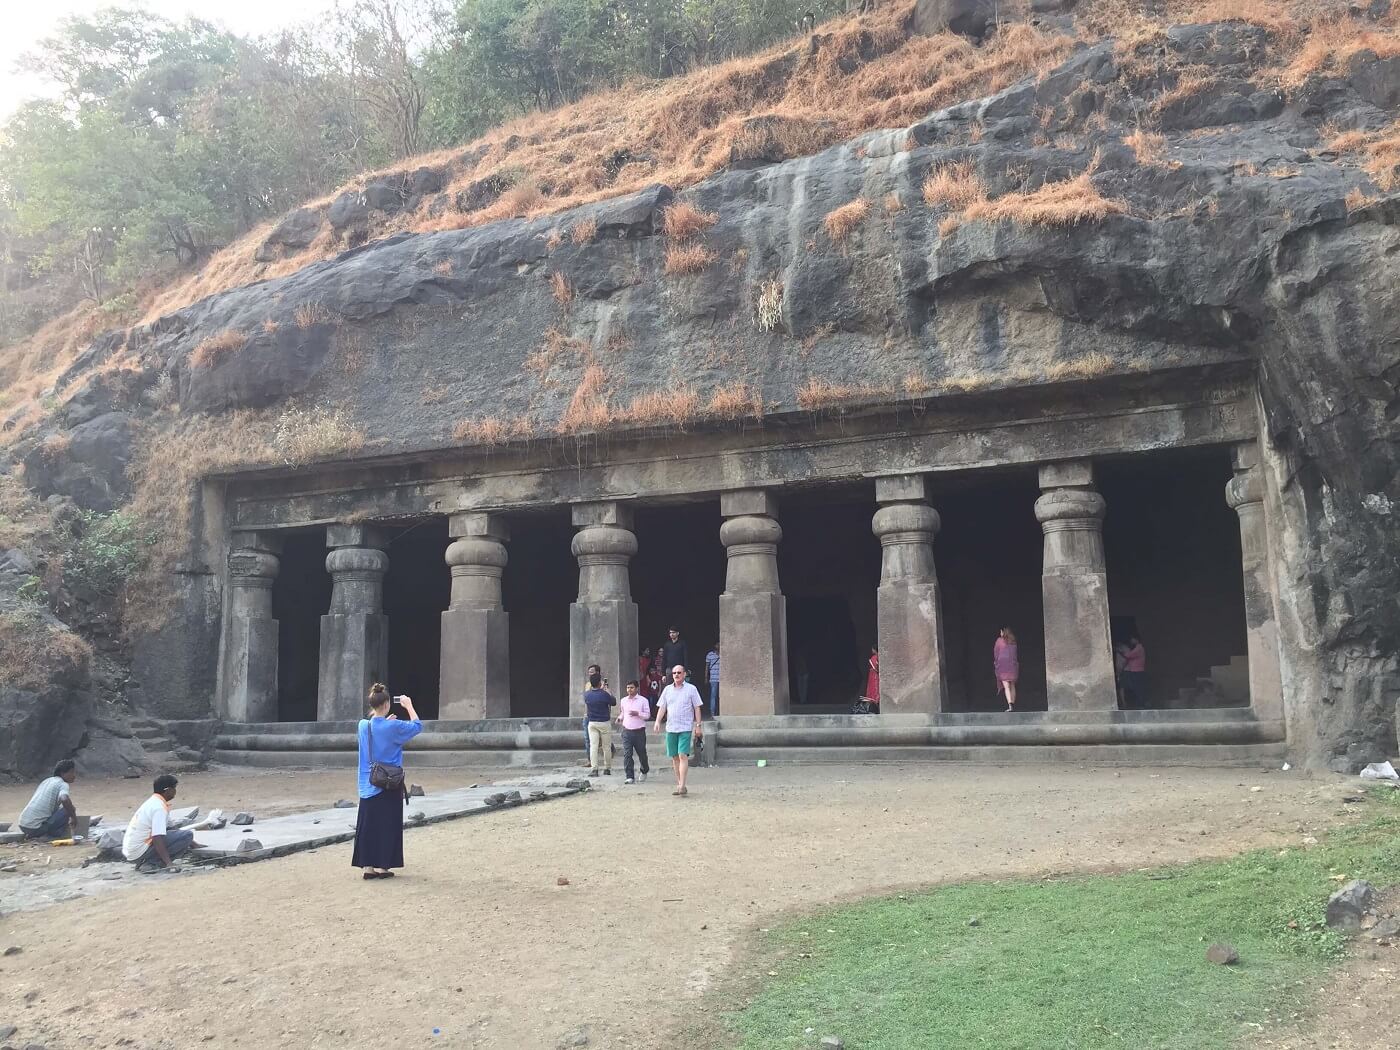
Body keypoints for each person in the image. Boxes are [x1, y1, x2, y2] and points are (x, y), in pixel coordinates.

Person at [352, 683, 422, 880]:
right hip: (389, 781)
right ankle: (383, 866)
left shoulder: (363, 725)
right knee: (387, 824)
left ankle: (367, 866)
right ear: (387, 704)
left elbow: (376, 728)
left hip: (368, 781)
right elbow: (417, 726)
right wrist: (408, 706)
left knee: (368, 825)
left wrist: (384, 720)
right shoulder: (394, 726)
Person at [123, 773, 204, 871]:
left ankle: (147, 860)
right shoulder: (159, 808)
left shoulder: (154, 802)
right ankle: (152, 863)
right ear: (168, 790)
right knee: (187, 835)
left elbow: (172, 828)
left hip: (133, 851)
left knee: (185, 836)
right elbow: (157, 837)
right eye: (174, 788)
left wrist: (194, 844)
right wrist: (169, 863)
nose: (175, 791)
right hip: (139, 850)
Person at [654, 664, 704, 796]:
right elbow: (662, 707)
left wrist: (698, 725)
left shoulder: (691, 689)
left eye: (679, 672)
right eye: (674, 673)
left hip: (685, 727)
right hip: (671, 727)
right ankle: (679, 783)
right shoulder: (667, 690)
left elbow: (697, 707)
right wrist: (658, 721)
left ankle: (682, 785)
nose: (676, 675)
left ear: (684, 674)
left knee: (682, 755)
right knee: (675, 757)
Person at [17, 759, 79, 839]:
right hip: (35, 828)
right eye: (72, 772)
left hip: (23, 826)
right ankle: (52, 835)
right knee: (68, 809)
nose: (74, 775)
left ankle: (36, 834)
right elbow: (64, 799)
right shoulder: (63, 784)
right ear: (62, 773)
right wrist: (73, 817)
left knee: (61, 809)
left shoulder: (47, 781)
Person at [616, 680, 651, 784]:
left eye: (631, 688)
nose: (629, 690)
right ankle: (629, 776)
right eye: (627, 688)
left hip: (639, 731)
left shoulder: (643, 700)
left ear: (636, 688)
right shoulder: (623, 700)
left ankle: (644, 770)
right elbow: (623, 713)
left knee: (642, 753)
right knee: (627, 754)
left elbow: (647, 715)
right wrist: (619, 718)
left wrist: (638, 713)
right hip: (627, 731)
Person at [584, 671, 617, 776]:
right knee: (606, 747)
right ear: (600, 683)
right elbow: (613, 702)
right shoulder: (604, 694)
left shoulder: (587, 695)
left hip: (592, 722)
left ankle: (595, 769)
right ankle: (607, 768)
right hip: (604, 722)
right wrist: (608, 691)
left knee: (593, 746)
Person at [994, 627, 1019, 713]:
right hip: (1012, 666)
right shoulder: (1013, 641)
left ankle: (1010, 705)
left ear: (1002, 632)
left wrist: (996, 664)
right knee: (1012, 685)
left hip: (1003, 667)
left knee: (1006, 687)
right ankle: (1013, 704)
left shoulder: (999, 641)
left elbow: (996, 654)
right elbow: (1015, 655)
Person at [1120, 635, 1147, 709]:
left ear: (1136, 639)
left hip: (1137, 671)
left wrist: (1121, 652)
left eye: (1132, 639)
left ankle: (1141, 703)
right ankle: (1140, 702)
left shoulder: (1139, 648)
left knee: (1138, 687)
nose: (1131, 641)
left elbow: (1129, 655)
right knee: (1137, 687)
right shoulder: (1138, 648)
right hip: (1136, 670)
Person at [704, 642, 721, 718]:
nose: (719, 645)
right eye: (717, 644)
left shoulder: (724, 653)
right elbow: (707, 667)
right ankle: (712, 713)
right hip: (713, 679)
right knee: (713, 696)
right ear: (714, 645)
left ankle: (720, 712)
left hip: (722, 679)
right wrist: (706, 678)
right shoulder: (710, 655)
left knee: (720, 696)